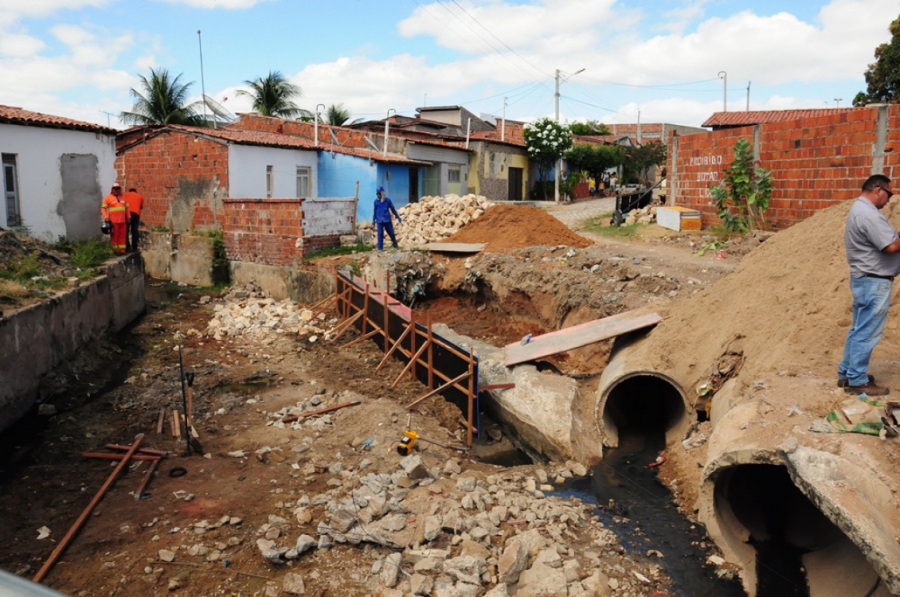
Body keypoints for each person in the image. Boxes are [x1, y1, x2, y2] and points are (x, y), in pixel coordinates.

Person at [838, 174, 900, 396]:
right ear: (878, 190)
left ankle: (847, 373)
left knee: (858, 329)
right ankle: (857, 379)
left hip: (866, 279)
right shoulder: (869, 215)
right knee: (867, 332)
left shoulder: (860, 210)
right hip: (874, 281)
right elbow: (891, 247)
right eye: (889, 194)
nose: (890, 200)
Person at [101, 183, 129, 255]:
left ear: (120, 189)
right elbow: (103, 208)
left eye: (118, 188)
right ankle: (115, 251)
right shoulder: (108, 198)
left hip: (122, 221)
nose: (117, 190)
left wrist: (128, 217)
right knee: (114, 236)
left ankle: (122, 250)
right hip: (113, 221)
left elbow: (127, 208)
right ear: (112, 190)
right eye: (115, 189)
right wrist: (106, 217)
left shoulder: (123, 198)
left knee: (122, 235)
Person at [123, 187, 144, 252]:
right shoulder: (140, 196)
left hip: (127, 213)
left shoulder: (125, 195)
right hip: (136, 214)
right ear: (135, 191)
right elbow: (141, 207)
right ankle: (134, 247)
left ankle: (127, 247)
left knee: (125, 230)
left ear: (129, 191)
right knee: (134, 231)